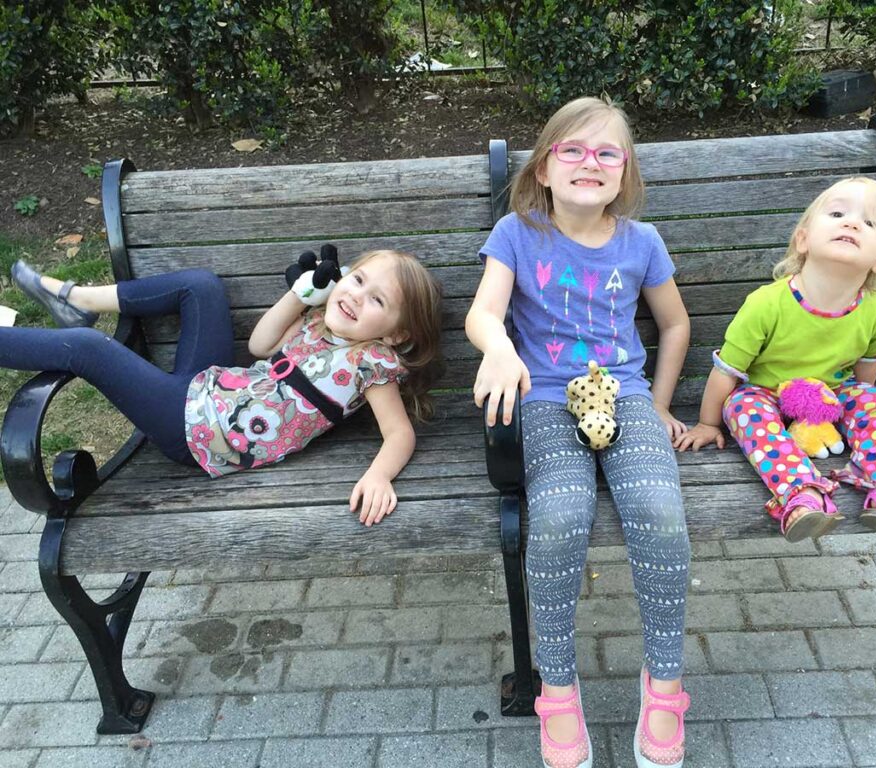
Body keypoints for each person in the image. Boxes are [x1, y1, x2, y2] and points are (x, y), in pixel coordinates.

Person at [466, 96, 692, 768]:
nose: (588, 162)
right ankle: (556, 691)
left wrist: (657, 402)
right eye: (572, 149)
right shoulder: (516, 232)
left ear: (625, 173)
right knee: (561, 516)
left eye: (606, 153)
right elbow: (484, 312)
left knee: (659, 513)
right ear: (543, 167)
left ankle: (666, 685)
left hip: (623, 396)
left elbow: (675, 324)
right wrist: (500, 350)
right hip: (542, 400)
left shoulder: (641, 243)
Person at [3, 249, 442, 526]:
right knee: (201, 287)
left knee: (86, 349)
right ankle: (79, 300)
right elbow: (260, 345)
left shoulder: (369, 363)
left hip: (199, 433)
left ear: (395, 336)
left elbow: (400, 434)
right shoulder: (317, 321)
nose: (356, 297)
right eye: (358, 280)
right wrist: (302, 294)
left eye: (378, 301)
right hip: (210, 389)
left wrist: (379, 476)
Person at [679, 177, 876, 541]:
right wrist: (707, 424)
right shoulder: (766, 304)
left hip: (831, 393)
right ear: (803, 239)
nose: (851, 223)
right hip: (765, 393)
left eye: (870, 223)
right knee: (741, 406)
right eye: (837, 213)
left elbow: (867, 370)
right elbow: (727, 371)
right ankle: (802, 494)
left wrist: (854, 414)